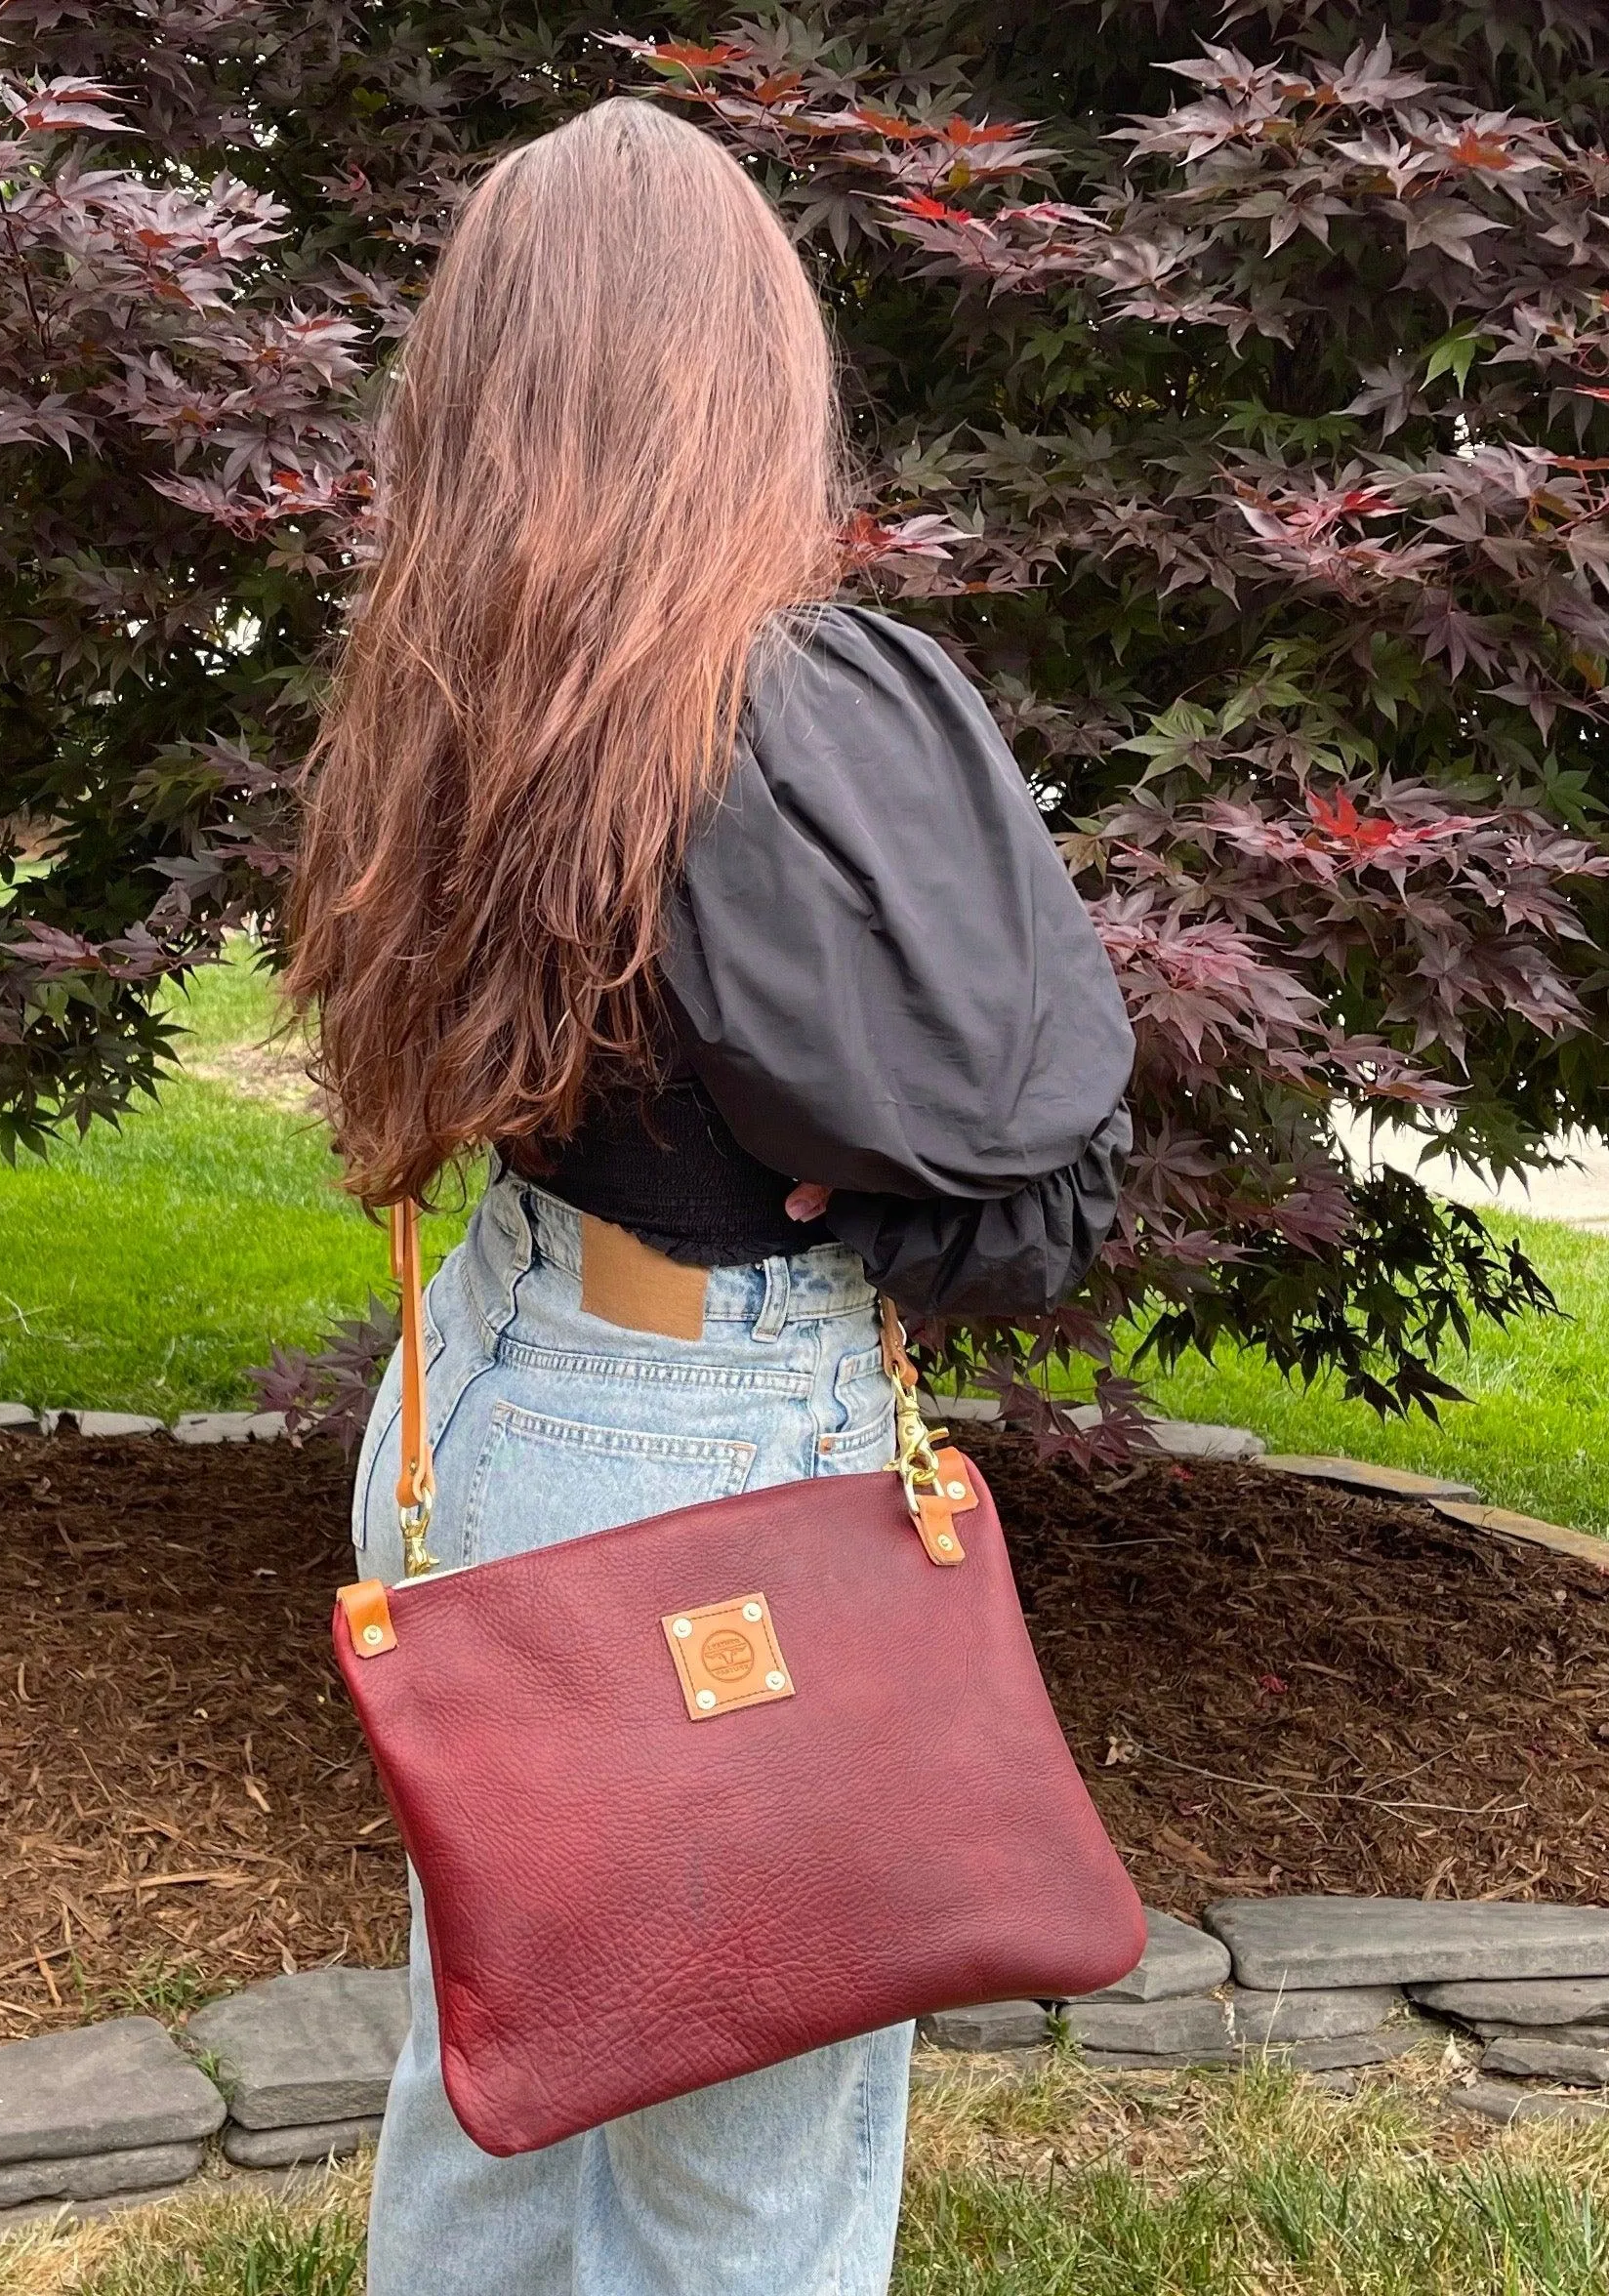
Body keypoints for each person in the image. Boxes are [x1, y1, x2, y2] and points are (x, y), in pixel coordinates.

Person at [285, 94, 1134, 2296]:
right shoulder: (773, 703)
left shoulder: (454, 679)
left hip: (476, 1408)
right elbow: (1014, 1162)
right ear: (743, 367)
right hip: (707, 1457)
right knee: (732, 2195)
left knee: (497, 2075)